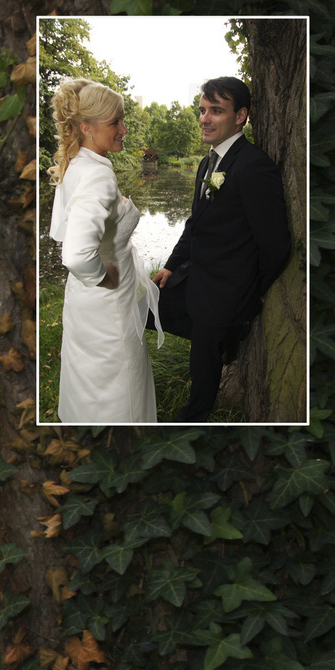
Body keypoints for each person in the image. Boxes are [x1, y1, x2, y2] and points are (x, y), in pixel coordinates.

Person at [149, 77, 292, 422]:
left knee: (202, 375)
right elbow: (194, 224)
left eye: (216, 111)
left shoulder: (253, 165)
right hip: (195, 278)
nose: (205, 119)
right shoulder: (206, 163)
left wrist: (250, 294)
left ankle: (191, 425)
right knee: (141, 309)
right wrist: (171, 265)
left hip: (227, 293)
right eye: (202, 111)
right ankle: (227, 343)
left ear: (240, 116)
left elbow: (275, 245)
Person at [48, 78, 158, 424]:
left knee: (91, 382)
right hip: (107, 303)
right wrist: (102, 275)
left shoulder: (76, 164)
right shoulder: (98, 177)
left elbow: (62, 233)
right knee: (119, 383)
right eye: (115, 122)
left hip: (84, 302)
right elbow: (77, 254)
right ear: (86, 127)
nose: (124, 129)